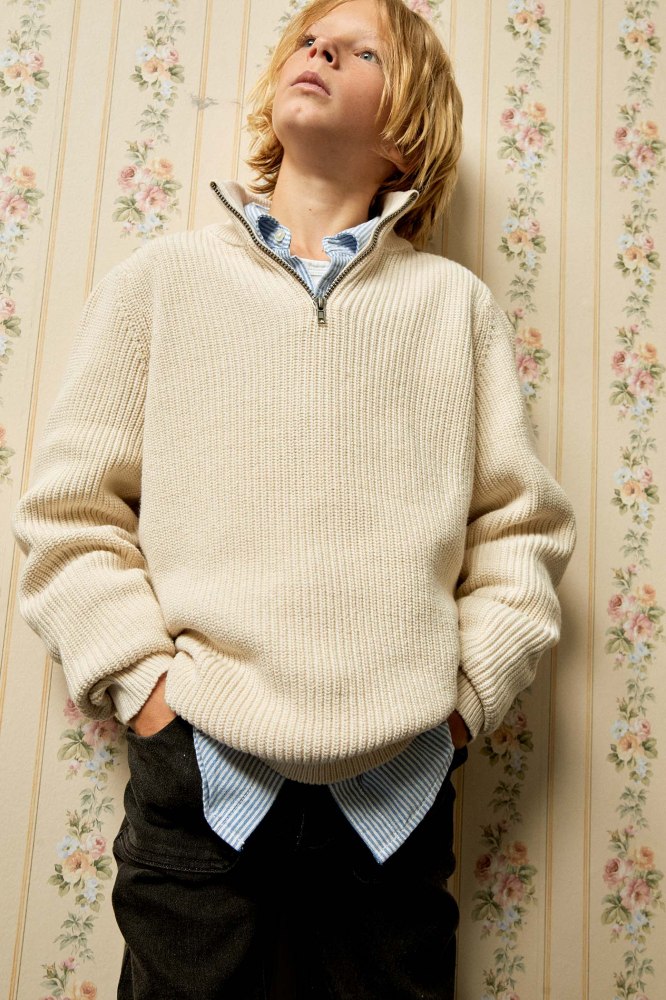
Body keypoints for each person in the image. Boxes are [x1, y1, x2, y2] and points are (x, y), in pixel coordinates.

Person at [11, 0, 577, 997]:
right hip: (202, 772)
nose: (321, 51)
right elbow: (69, 512)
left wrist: (461, 704)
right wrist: (148, 692)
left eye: (362, 53)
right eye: (311, 41)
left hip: (398, 789)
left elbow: (518, 532)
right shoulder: (163, 281)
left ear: (407, 133)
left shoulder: (455, 308)